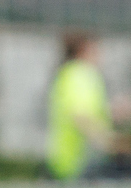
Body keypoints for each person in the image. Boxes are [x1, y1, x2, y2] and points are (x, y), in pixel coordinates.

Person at [46, 31, 124, 180]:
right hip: (78, 164)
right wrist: (109, 142)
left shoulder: (71, 74)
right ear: (84, 49)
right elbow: (80, 116)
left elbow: (93, 111)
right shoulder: (79, 74)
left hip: (70, 162)